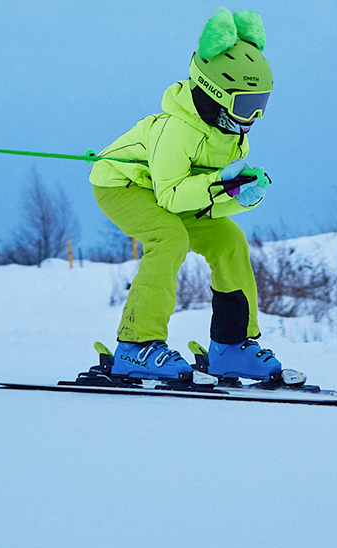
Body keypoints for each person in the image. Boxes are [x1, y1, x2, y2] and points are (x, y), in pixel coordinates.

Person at [88, 8, 283, 382]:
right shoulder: (177, 129)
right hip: (123, 185)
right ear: (215, 92)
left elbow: (208, 200)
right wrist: (219, 185)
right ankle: (136, 345)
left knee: (230, 240)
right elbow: (173, 199)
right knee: (169, 236)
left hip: (175, 193)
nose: (254, 116)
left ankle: (231, 346)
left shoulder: (233, 136)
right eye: (246, 104)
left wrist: (241, 194)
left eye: (262, 103)